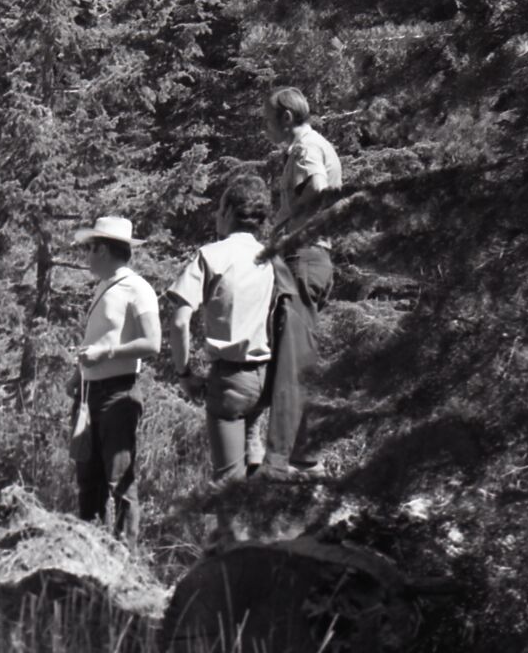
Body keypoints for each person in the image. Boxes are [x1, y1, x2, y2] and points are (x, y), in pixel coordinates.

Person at [164, 174, 275, 485]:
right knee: (253, 464)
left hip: (230, 380)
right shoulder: (271, 260)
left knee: (227, 481)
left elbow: (180, 320)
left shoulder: (211, 255)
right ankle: (267, 528)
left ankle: (231, 533)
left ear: (228, 212)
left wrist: (184, 374)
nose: (215, 215)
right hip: (265, 379)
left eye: (219, 208)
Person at [257, 85, 343, 474]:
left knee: (291, 362)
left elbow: (319, 189)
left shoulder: (306, 149)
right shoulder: (305, 147)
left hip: (304, 257)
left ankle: (280, 462)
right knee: (298, 358)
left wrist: (284, 227)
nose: (265, 127)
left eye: (267, 119)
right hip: (310, 259)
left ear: (286, 118)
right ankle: (305, 456)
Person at [68, 215, 160, 533]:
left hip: (117, 395)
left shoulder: (137, 289)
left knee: (119, 479)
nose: (86, 255)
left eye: (90, 248)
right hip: (89, 392)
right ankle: (87, 550)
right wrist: (78, 374)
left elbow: (153, 342)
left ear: (104, 251)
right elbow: (100, 338)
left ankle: (125, 561)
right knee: (88, 479)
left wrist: (104, 354)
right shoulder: (105, 288)